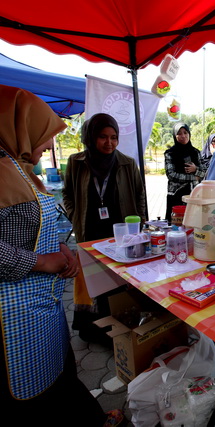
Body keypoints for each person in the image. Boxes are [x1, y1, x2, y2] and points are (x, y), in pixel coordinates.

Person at [0, 84, 116, 425]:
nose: (48, 144)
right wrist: (39, 261)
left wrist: (55, 248)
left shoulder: (11, 165)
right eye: (45, 134)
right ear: (22, 127)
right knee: (13, 409)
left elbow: (16, 226)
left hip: (32, 308)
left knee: (53, 383)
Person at [63, 113, 146, 344]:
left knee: (116, 281)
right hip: (90, 231)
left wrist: (140, 224)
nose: (109, 143)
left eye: (114, 137)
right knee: (91, 281)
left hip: (119, 234)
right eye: (102, 137)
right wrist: (74, 215)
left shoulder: (127, 163)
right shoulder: (76, 162)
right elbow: (67, 194)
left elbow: (139, 195)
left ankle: (117, 332)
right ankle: (92, 331)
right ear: (91, 137)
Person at [164, 123, 207, 219]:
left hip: (194, 194)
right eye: (179, 133)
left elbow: (204, 172)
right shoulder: (170, 153)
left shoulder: (196, 152)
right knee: (176, 222)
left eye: (185, 132)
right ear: (175, 136)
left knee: (194, 221)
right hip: (176, 194)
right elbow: (171, 175)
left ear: (189, 134)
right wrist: (193, 177)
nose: (183, 136)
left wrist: (195, 169)